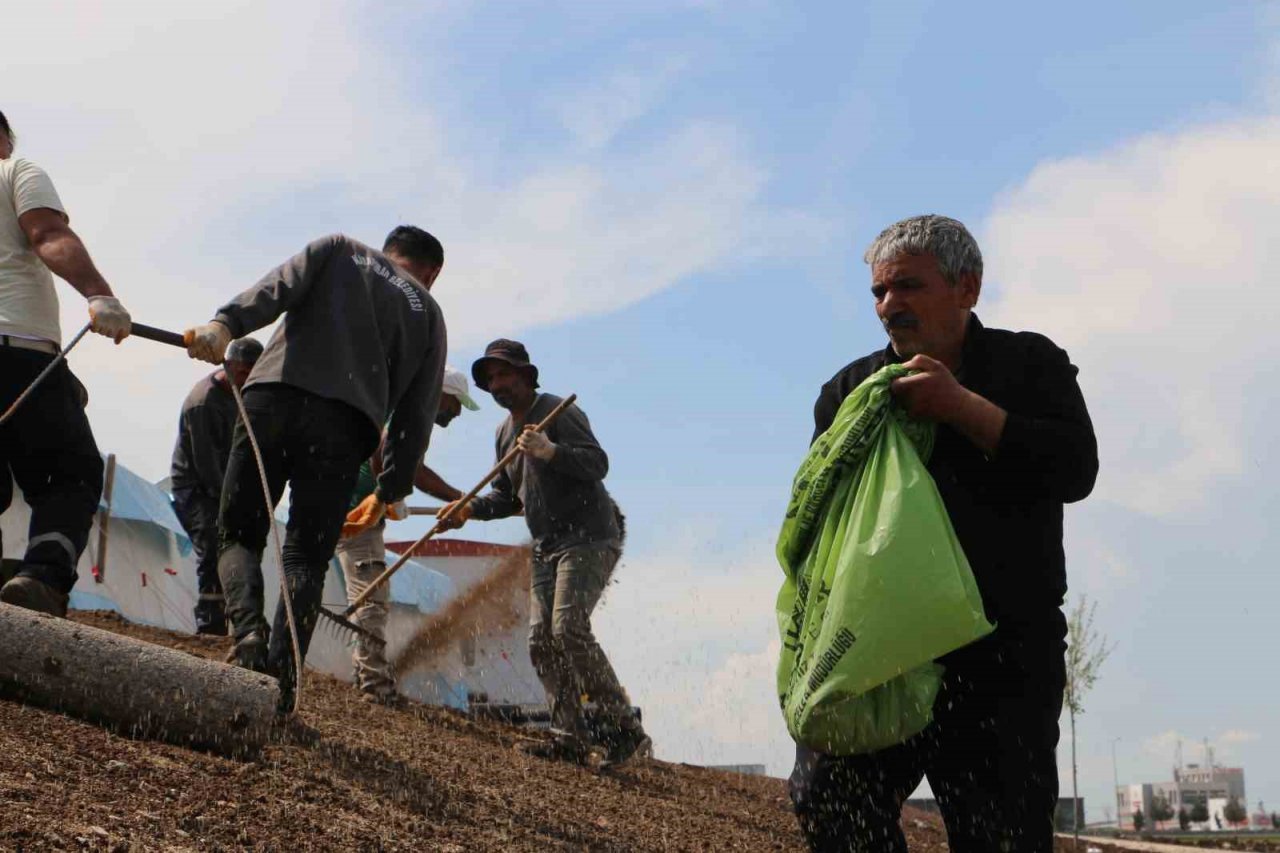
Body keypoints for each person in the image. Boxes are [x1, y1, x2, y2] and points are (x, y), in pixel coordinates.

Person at [788, 215, 1098, 851]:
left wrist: (959, 406)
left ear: (968, 288)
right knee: (829, 800)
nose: (888, 306)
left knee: (1002, 834)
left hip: (999, 654)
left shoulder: (1029, 363)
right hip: (877, 653)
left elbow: (1075, 468)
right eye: (878, 292)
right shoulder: (850, 393)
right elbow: (818, 521)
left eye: (907, 287)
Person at [182, 226, 447, 711]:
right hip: (346, 427)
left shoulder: (340, 248)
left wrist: (226, 323)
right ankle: (281, 687)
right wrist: (392, 485)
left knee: (238, 532)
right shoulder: (428, 314)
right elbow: (416, 415)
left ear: (391, 250)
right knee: (305, 557)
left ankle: (247, 635)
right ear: (432, 272)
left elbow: (276, 288)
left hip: (273, 398)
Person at [437, 339, 650, 766]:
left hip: (588, 536)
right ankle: (567, 735)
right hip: (546, 545)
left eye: (505, 375)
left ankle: (623, 729)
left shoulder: (559, 412)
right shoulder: (502, 434)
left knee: (568, 627)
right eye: (491, 379)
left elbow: (597, 464)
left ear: (526, 375)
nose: (498, 385)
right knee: (541, 639)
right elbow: (506, 498)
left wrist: (552, 452)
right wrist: (468, 510)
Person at [0, 108, 133, 617]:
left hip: (27, 357)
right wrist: (101, 296)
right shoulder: (16, 172)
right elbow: (47, 235)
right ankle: (40, 578)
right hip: (18, 350)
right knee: (69, 475)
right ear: (4, 138)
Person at [336, 365, 479, 703]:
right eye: (455, 405)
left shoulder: (403, 408)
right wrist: (392, 495)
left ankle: (362, 673)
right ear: (441, 394)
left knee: (365, 594)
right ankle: (374, 683)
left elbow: (411, 467)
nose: (456, 415)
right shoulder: (411, 411)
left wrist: (456, 498)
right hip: (357, 514)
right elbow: (386, 453)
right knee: (371, 598)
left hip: (353, 507)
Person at [169, 337, 264, 635]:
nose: (247, 379)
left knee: (241, 543)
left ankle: (238, 617)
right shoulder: (204, 402)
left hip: (225, 482)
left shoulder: (244, 396)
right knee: (212, 542)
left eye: (253, 373)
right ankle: (210, 620)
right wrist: (233, 503)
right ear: (229, 366)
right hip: (195, 486)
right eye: (242, 373)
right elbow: (207, 466)